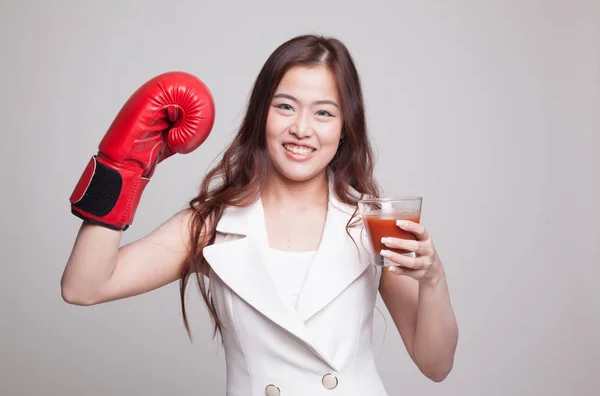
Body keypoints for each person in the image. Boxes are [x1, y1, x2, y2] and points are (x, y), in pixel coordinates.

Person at [61, 34, 459, 395]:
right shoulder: (212, 225)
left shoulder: (369, 222)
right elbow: (84, 287)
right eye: (285, 106)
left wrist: (433, 277)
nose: (302, 128)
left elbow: (436, 365)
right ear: (260, 115)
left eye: (323, 113)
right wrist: (121, 167)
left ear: (344, 128)